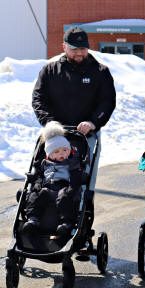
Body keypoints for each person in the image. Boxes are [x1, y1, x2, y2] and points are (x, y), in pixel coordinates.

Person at [32, 26, 116, 191]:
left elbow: (107, 102)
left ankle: (82, 210)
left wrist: (92, 122)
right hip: (55, 134)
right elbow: (38, 99)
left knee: (82, 180)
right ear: (64, 47)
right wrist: (49, 123)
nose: (79, 53)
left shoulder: (100, 72)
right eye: (74, 49)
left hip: (85, 136)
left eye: (83, 49)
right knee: (45, 176)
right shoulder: (50, 71)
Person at [23, 121, 83, 236]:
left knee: (65, 197)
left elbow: (76, 175)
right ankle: (33, 219)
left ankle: (66, 223)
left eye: (65, 150)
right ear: (49, 155)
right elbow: (40, 177)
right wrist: (35, 181)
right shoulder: (44, 164)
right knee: (37, 195)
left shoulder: (71, 162)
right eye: (56, 152)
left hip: (64, 188)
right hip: (48, 188)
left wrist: (73, 186)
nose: (62, 154)